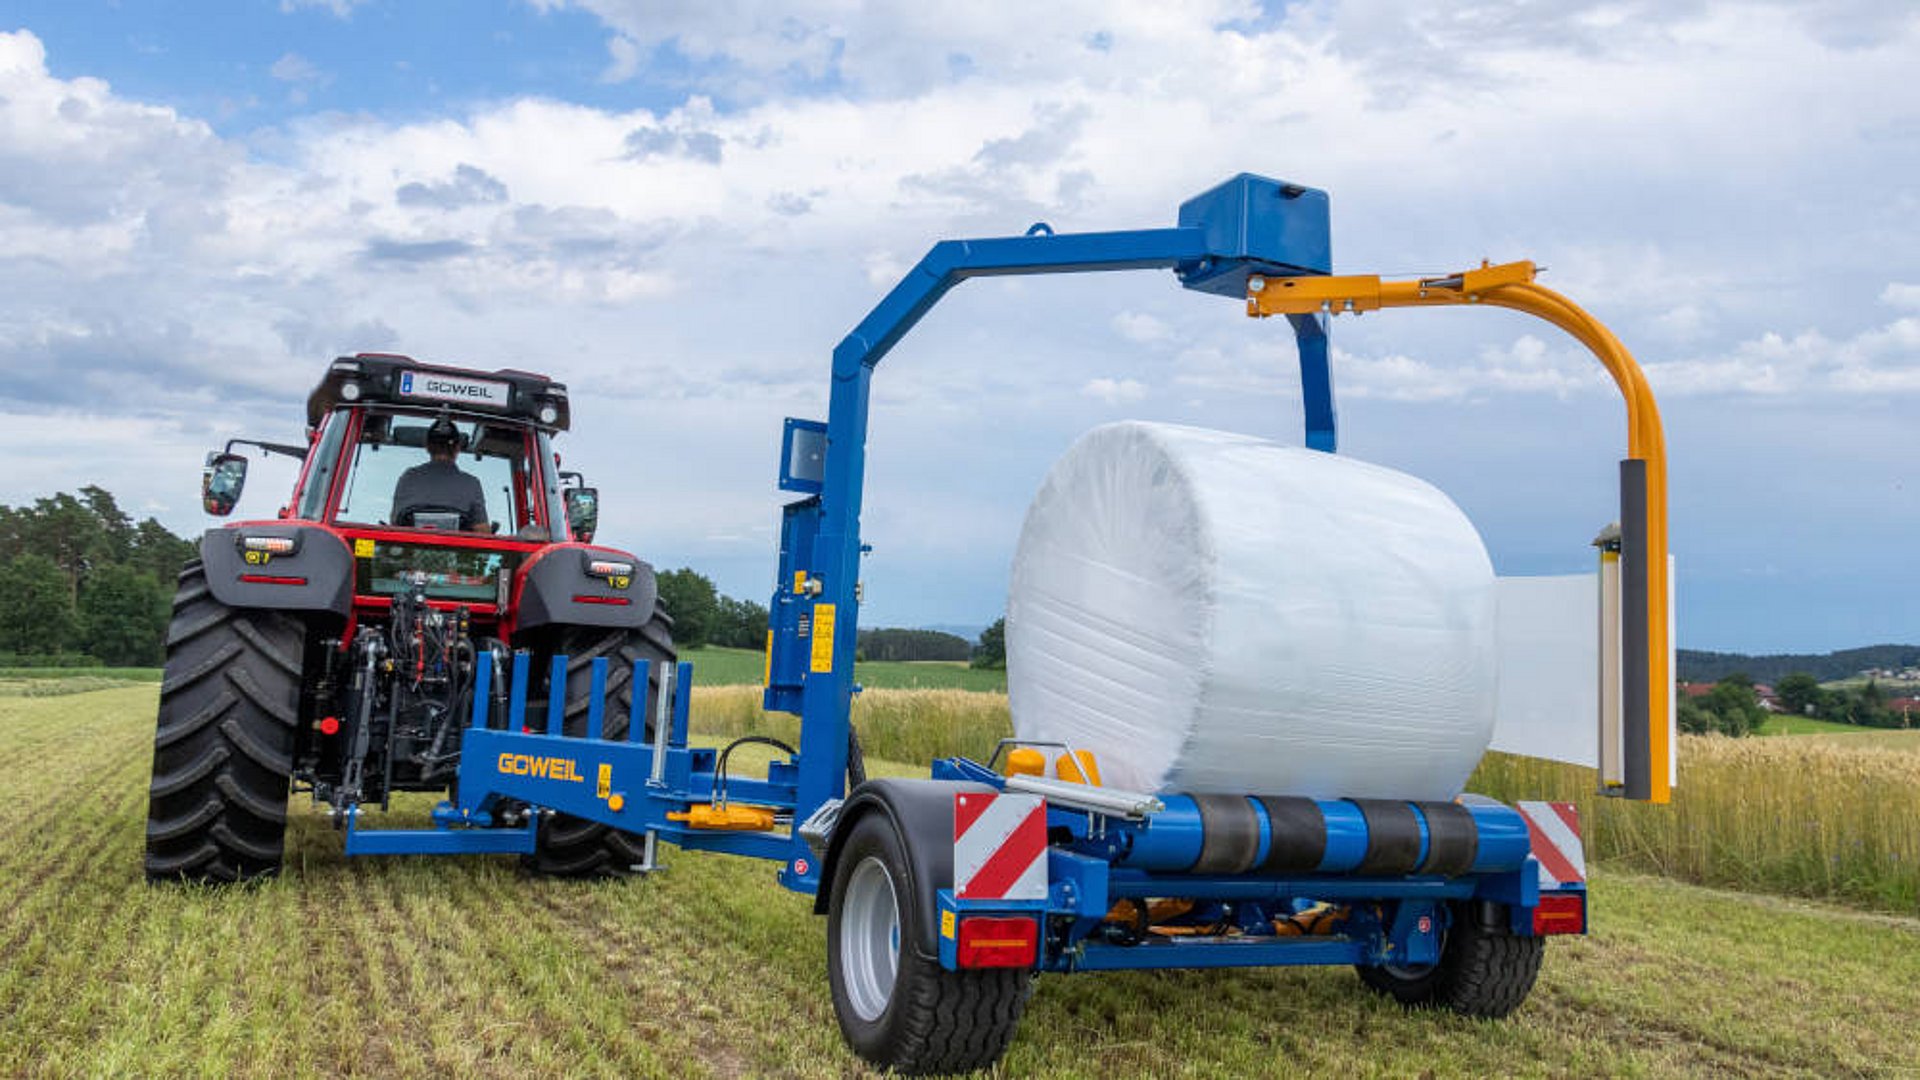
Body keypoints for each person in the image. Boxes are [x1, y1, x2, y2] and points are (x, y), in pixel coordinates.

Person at [391, 416, 490, 532]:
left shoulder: (408, 477)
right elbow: (482, 531)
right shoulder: (472, 483)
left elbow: (395, 522)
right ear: (457, 448)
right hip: (456, 549)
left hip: (409, 549)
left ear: (427, 447)